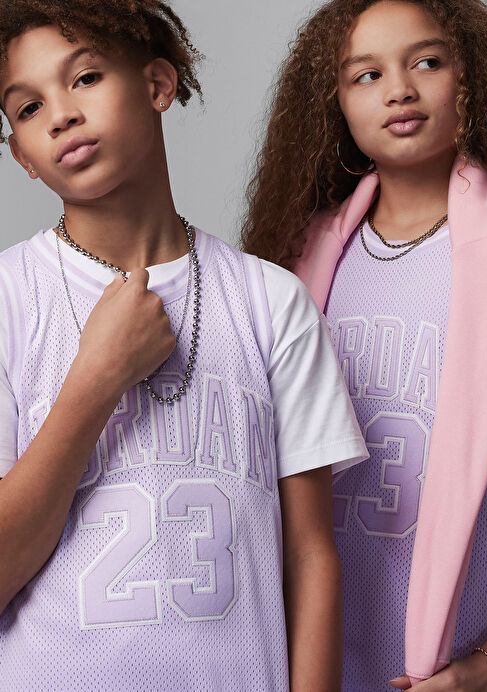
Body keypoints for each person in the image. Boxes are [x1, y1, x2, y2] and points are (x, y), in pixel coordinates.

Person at [0, 1, 369, 690]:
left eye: (85, 78)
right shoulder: (9, 300)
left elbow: (310, 556)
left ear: (158, 84)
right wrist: (96, 378)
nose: (60, 115)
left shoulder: (271, 302)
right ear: (22, 156)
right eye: (27, 108)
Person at [243, 0, 487, 689]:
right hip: (315, 667)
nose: (399, 90)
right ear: (333, 103)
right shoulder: (294, 259)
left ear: (472, 76)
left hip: (455, 670)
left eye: (427, 62)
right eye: (366, 74)